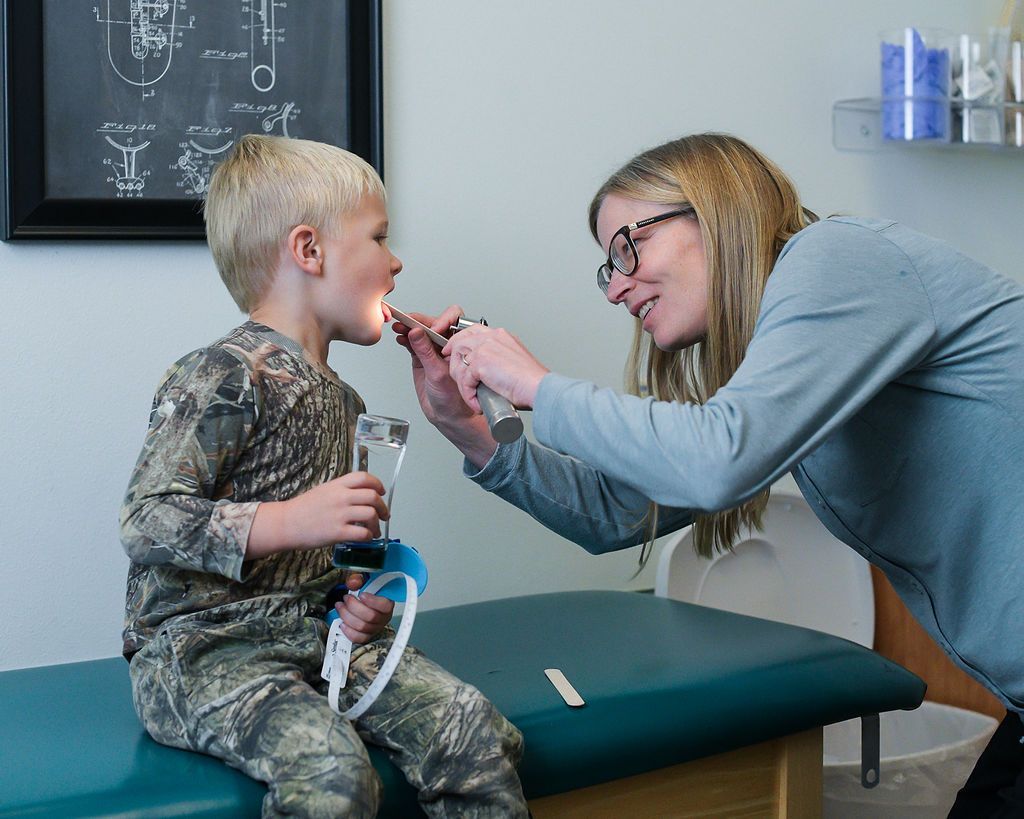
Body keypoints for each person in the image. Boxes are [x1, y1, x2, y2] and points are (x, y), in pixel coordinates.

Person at [395, 132, 1024, 818]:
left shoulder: (839, 259)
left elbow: (714, 460)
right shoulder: (781, 362)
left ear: (716, 210)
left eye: (626, 248)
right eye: (607, 268)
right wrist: (470, 430)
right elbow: (619, 513)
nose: (616, 287)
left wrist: (535, 384)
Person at [120, 134, 528, 818]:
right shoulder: (225, 374)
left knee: (474, 732)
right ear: (309, 251)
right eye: (378, 238)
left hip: (316, 638)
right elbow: (145, 517)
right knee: (334, 774)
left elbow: (321, 567)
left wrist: (355, 601)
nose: (396, 262)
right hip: (205, 653)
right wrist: (287, 521)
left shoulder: (346, 403)